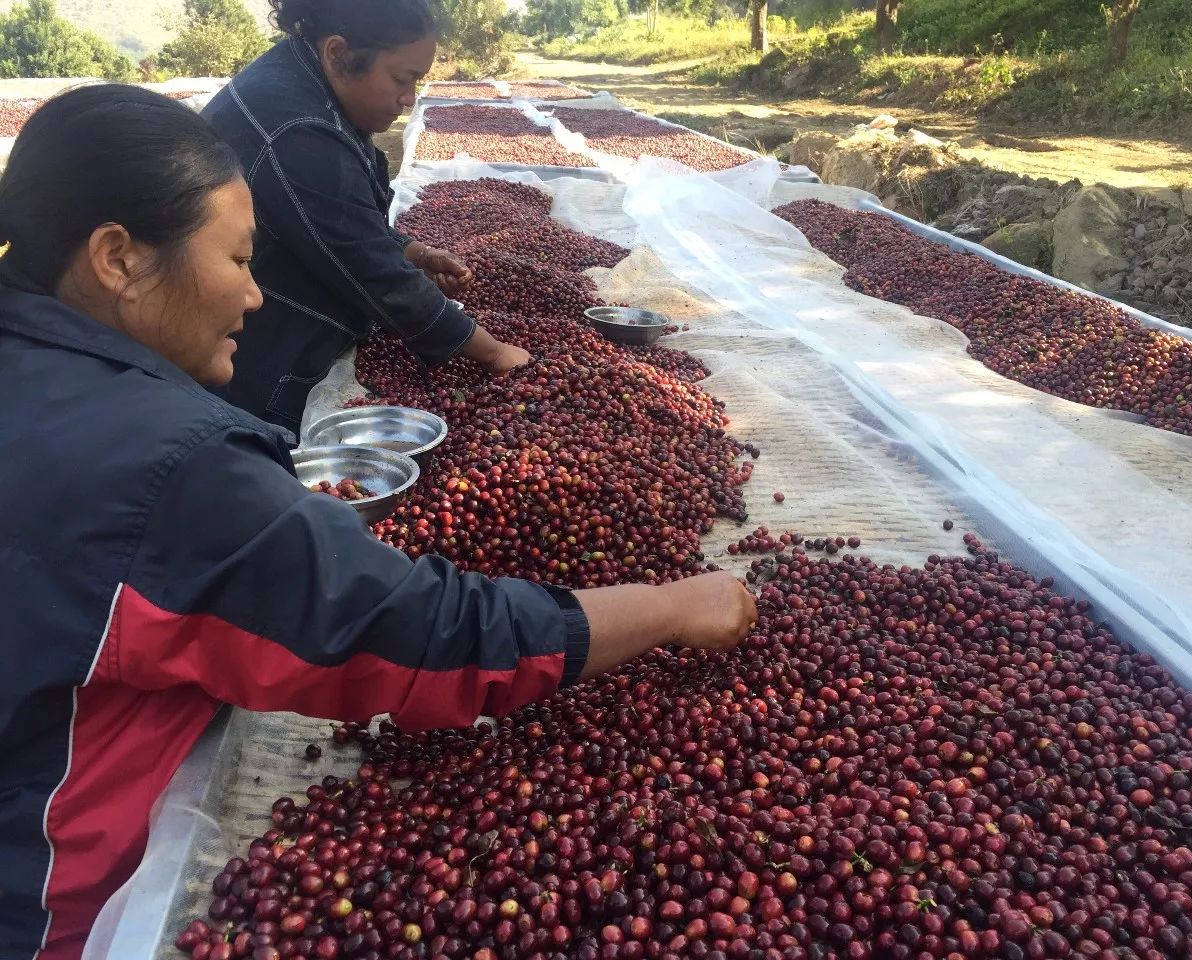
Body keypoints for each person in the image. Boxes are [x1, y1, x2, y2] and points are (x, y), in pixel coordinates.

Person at [0, 87, 757, 960]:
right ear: (117, 258)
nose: (254, 297)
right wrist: (668, 608)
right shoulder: (168, 465)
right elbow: (419, 634)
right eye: (241, 261)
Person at [202, 0, 531, 438]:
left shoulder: (305, 76)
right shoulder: (298, 130)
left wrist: (412, 250)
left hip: (261, 301)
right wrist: (490, 352)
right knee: (264, 444)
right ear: (338, 53)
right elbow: (373, 271)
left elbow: (338, 216)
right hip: (252, 346)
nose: (409, 99)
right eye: (403, 79)